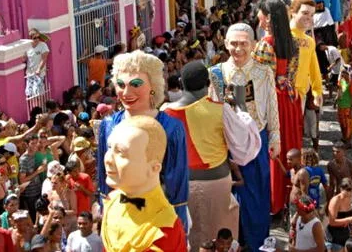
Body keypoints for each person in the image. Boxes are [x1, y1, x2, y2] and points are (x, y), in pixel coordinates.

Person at [164, 61, 261, 251]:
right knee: (220, 240)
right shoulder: (219, 109)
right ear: (208, 83)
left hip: (180, 187)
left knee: (188, 238)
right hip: (217, 183)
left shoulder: (165, 113)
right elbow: (244, 146)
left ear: (182, 83)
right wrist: (241, 106)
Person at [97, 51, 190, 231]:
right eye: (120, 85)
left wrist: (178, 225)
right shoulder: (108, 125)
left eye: (136, 84)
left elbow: (177, 181)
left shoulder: (171, 128)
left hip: (158, 218)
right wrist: (105, 212)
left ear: (153, 86)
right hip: (119, 216)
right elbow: (104, 178)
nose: (126, 92)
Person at [208, 23, 280, 251]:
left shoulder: (263, 71)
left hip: (257, 139)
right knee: (228, 194)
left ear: (252, 44)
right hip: (226, 142)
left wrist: (275, 136)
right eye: (233, 44)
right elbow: (212, 109)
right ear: (226, 44)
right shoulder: (217, 74)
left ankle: (257, 241)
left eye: (243, 44)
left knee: (257, 193)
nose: (238, 49)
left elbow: (271, 104)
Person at [101, 116, 186, 251]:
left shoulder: (164, 228)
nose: (108, 159)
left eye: (121, 152)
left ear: (154, 168)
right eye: (110, 147)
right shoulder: (112, 200)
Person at [252, 0, 303, 215]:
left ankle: (274, 200)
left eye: (261, 13)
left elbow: (259, 78)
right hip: (290, 98)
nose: (258, 17)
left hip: (273, 100)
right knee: (290, 144)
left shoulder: (265, 45)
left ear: (268, 18)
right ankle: (290, 194)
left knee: (274, 147)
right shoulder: (292, 42)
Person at [326, 178, 352, 252]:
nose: (351, 192)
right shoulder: (336, 200)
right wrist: (350, 219)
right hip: (334, 237)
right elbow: (332, 222)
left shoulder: (350, 198)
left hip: (345, 234)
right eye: (348, 189)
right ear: (341, 189)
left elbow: (349, 214)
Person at [25, 28, 49, 98]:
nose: (37, 39)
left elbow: (44, 58)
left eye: (38, 37)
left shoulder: (43, 45)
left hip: (39, 74)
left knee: (38, 93)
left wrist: (39, 69)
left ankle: (41, 107)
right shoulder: (27, 47)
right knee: (30, 95)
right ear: (30, 38)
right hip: (30, 74)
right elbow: (24, 58)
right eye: (35, 38)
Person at [336, 69, 352, 147]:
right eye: (341, 74)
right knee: (342, 124)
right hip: (341, 107)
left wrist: (351, 110)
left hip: (347, 108)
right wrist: (336, 102)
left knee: (348, 126)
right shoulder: (342, 81)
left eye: (344, 74)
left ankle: (348, 142)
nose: (342, 76)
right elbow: (341, 93)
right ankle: (344, 138)